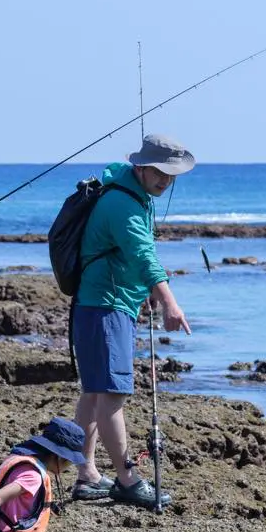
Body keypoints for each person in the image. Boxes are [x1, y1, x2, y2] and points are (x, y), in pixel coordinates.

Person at [70, 134, 193, 509]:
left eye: (171, 175)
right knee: (112, 394)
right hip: (105, 306)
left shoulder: (129, 195)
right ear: (140, 167)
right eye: (159, 173)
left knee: (94, 392)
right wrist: (168, 300)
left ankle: (87, 473)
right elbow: (143, 255)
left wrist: (144, 292)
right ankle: (127, 478)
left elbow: (134, 256)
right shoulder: (123, 204)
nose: (165, 181)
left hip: (101, 304)